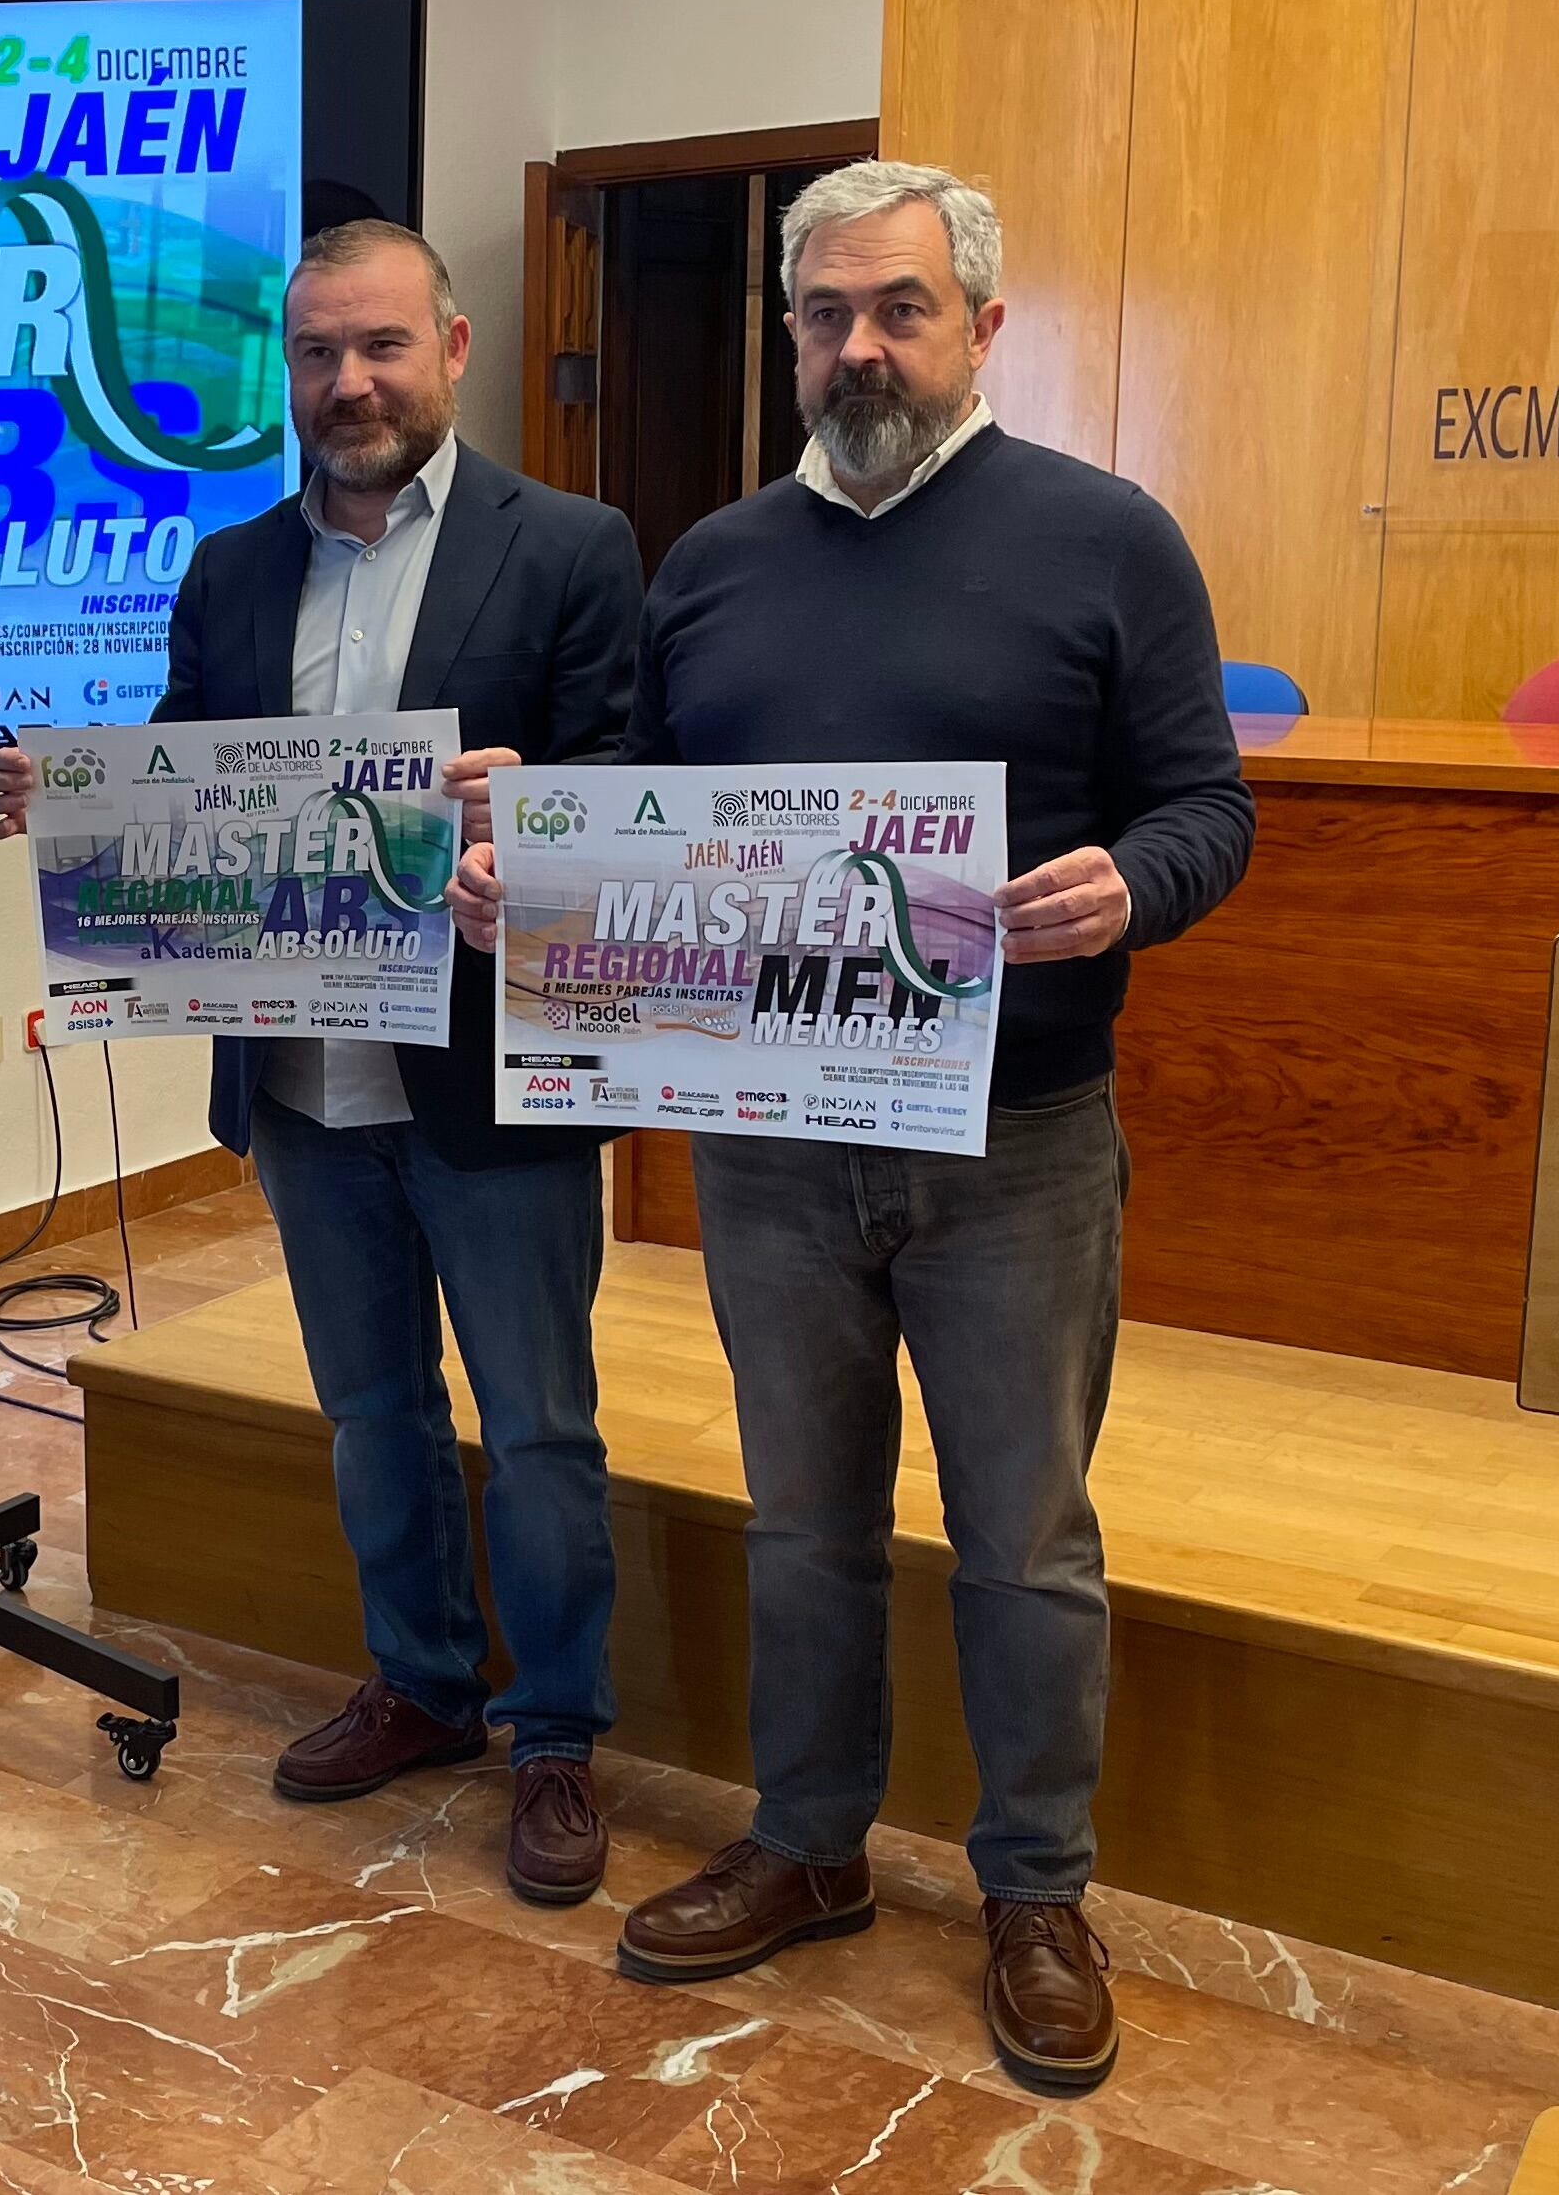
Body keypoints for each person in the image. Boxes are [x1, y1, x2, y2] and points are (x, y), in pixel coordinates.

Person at [456, 161, 1253, 2095]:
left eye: (897, 308)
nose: (857, 346)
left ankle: (1037, 1893)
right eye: (823, 315)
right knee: (804, 1520)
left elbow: (1207, 806)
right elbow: (657, 793)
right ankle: (808, 1844)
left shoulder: (1110, 538)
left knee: (1023, 1541)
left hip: (1019, 1141)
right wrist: (538, 860)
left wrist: (1129, 888)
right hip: (771, 1139)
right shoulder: (715, 556)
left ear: (983, 322)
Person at [0, 218, 644, 1905]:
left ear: (453, 347)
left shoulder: (570, 546)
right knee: (370, 1409)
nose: (348, 384)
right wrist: (78, 804)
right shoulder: (229, 569)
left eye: (380, 347)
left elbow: (639, 782)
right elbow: (199, 779)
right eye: (315, 354)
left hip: (490, 1080)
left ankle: (556, 1732)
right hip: (298, 1082)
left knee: (542, 1426)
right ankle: (421, 1683)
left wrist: (542, 816)